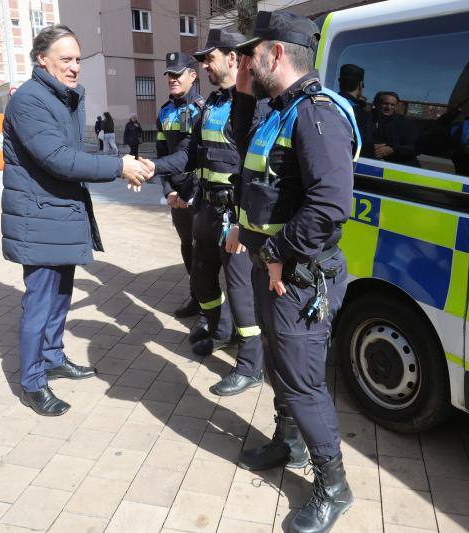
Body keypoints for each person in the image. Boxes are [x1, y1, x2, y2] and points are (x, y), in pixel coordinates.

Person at [232, 11, 359, 533]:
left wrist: (279, 249)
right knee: (282, 369)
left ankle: (335, 486)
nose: (247, 60)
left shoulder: (315, 113)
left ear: (277, 53)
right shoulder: (279, 111)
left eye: (252, 52)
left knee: (304, 382)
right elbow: (251, 164)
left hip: (299, 275)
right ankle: (288, 443)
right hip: (274, 269)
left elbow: (331, 205)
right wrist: (242, 92)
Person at [1, 24, 152, 416]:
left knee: (61, 297)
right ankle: (33, 382)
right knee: (39, 303)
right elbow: (59, 159)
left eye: (77, 60)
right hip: (40, 218)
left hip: (62, 213)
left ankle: (52, 357)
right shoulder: (30, 101)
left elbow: (73, 152)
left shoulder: (64, 97)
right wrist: (119, 166)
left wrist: (119, 166)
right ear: (42, 60)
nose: (74, 67)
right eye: (65, 59)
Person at [143, 27, 266, 396]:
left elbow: (257, 170)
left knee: (242, 293)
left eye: (209, 59)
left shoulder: (255, 105)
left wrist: (243, 222)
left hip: (235, 216)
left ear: (232, 58)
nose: (204, 66)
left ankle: (250, 365)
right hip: (207, 210)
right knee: (202, 280)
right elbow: (188, 154)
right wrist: (152, 168)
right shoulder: (211, 104)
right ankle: (219, 331)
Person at [155, 52, 205, 318]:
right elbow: (162, 155)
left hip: (198, 193)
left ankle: (210, 303)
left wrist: (193, 192)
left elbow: (206, 155)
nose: (172, 79)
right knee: (187, 245)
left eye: (177, 74)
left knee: (203, 250)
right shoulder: (164, 112)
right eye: (169, 75)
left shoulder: (202, 109)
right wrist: (169, 191)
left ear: (192, 75)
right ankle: (196, 296)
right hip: (177, 195)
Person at [370, 91, 419, 166]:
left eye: (392, 105)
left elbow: (415, 147)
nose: (388, 107)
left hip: (402, 167)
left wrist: (393, 150)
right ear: (376, 104)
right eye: (385, 103)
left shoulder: (406, 123)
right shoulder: (367, 119)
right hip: (372, 165)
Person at [338, 64, 371, 145]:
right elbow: (363, 143)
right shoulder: (362, 114)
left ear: (339, 82)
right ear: (360, 85)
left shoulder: (325, 103)